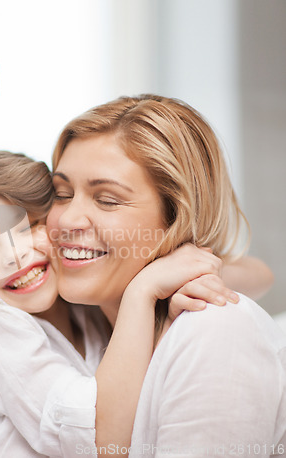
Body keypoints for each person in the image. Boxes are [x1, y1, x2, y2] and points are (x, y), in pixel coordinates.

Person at [0, 150, 246, 458]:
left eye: (28, 226)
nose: (14, 256)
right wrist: (143, 290)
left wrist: (191, 267)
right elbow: (101, 442)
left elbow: (256, 274)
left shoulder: (83, 303)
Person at [47, 94, 284, 457]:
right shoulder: (78, 326)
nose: (65, 220)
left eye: (107, 200)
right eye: (61, 194)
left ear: (176, 217)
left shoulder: (213, 333)